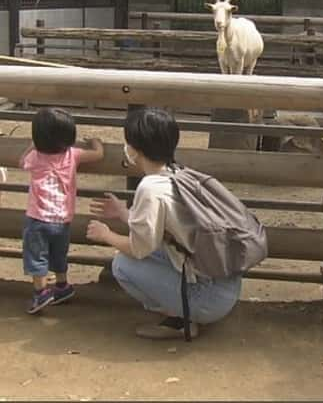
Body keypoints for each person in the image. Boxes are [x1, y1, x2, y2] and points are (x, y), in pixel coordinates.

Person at [86, 107, 243, 340]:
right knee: (148, 252)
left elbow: (139, 249)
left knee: (123, 265)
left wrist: (106, 235)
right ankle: (184, 311)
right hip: (225, 286)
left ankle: (182, 319)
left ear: (135, 149)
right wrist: (123, 213)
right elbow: (159, 229)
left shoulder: (149, 188)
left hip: (209, 298)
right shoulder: (179, 173)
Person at [21, 107, 104, 314]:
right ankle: (62, 286)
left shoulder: (35, 157)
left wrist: (30, 147)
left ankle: (40, 291)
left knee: (36, 255)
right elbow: (98, 154)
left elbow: (21, 162)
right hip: (62, 219)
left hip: (38, 219)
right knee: (59, 253)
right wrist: (96, 142)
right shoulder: (73, 155)